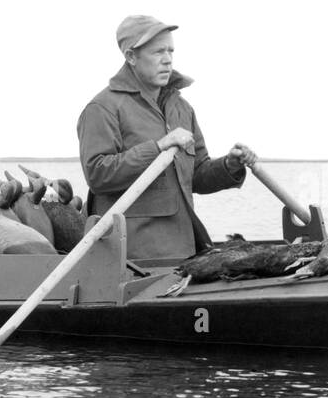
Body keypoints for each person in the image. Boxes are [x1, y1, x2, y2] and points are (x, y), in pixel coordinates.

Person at [77, 15, 257, 260]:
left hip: (185, 252)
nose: (167, 59)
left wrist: (229, 165)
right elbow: (97, 174)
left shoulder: (181, 108)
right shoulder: (102, 108)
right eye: (158, 52)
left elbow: (197, 175)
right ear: (131, 57)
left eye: (171, 51)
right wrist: (158, 148)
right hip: (132, 259)